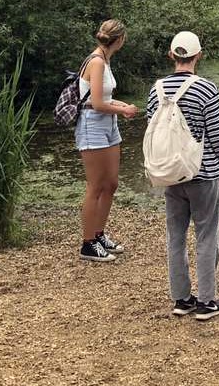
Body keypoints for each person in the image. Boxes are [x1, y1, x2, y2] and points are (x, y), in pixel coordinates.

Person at [145, 31, 219, 321]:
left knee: (176, 236)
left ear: (172, 55)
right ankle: (206, 301)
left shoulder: (156, 89)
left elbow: (154, 130)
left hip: (171, 174)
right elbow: (217, 134)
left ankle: (181, 299)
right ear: (198, 56)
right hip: (203, 173)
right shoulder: (206, 89)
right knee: (206, 235)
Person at [76, 19, 139, 262]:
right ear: (120, 39)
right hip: (92, 124)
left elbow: (103, 98)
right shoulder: (97, 61)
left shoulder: (105, 60)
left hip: (108, 124)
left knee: (111, 183)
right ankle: (87, 244)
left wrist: (122, 106)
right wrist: (122, 110)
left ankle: (98, 234)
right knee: (95, 186)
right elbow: (97, 104)